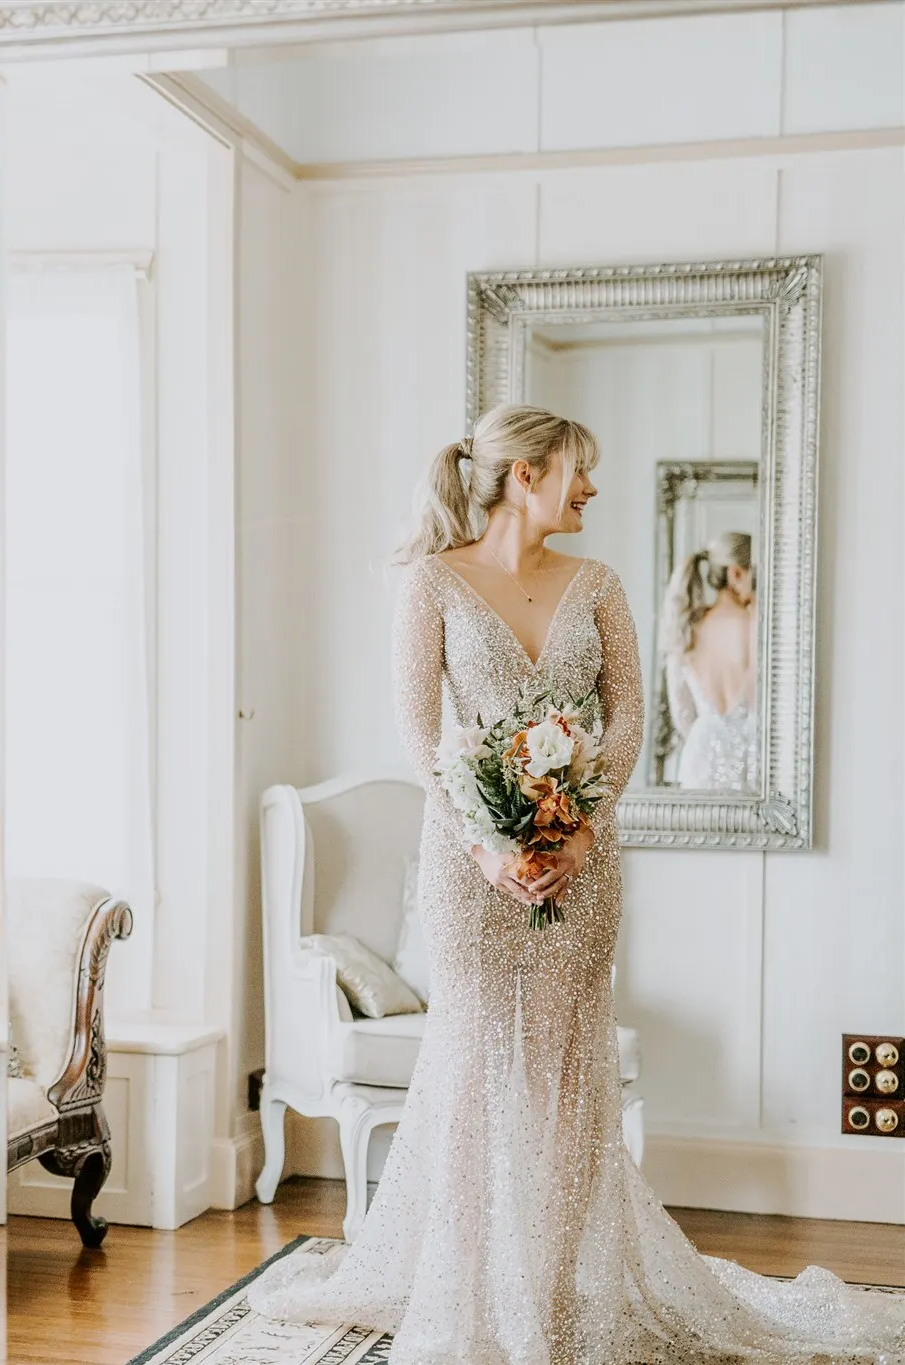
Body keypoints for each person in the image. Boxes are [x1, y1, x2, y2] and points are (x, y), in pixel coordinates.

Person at [248, 404, 905, 1361]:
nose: (591, 489)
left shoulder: (596, 584)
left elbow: (630, 716)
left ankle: (551, 1293)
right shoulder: (433, 582)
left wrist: (581, 832)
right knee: (474, 1067)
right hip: (467, 868)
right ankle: (473, 1292)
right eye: (578, 472)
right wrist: (487, 845)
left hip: (584, 863)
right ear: (527, 474)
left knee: (565, 1076)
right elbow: (419, 730)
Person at [661, 531, 758, 791]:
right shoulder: (758, 626)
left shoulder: (686, 630)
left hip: (700, 758)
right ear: (736, 574)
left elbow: (682, 715)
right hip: (753, 758)